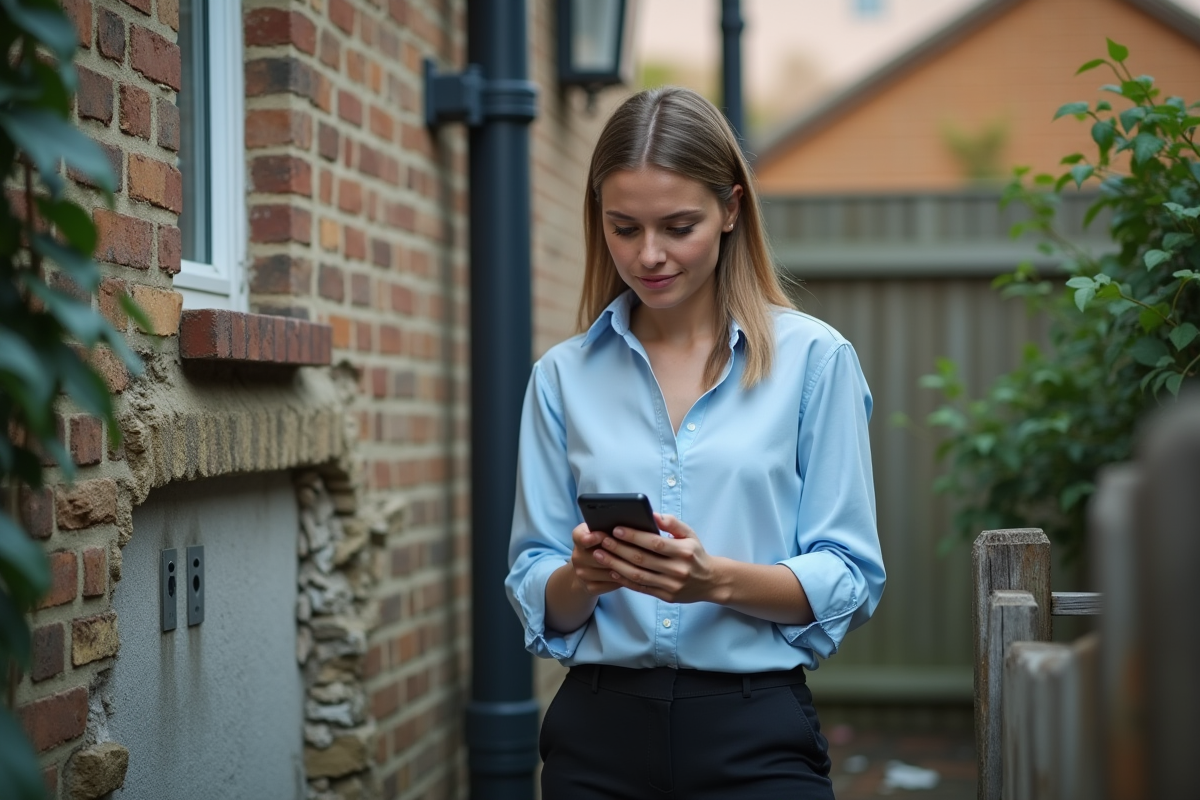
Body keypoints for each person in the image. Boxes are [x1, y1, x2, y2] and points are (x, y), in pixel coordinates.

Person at [505, 86, 886, 799]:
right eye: (624, 228)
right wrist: (582, 578)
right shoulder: (561, 377)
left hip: (756, 730)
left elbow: (850, 576)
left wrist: (714, 581)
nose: (649, 255)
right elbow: (533, 580)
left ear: (731, 209)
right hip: (597, 733)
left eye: (678, 226)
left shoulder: (815, 361)